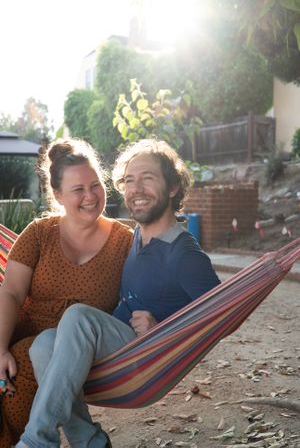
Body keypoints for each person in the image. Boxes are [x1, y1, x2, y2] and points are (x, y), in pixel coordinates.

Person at [16, 139, 220, 448]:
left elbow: (219, 314)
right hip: (114, 353)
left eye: (147, 178)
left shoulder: (184, 253)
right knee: (43, 345)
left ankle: (36, 440)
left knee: (79, 316)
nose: (136, 188)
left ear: (174, 187)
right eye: (129, 180)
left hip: (147, 355)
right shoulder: (136, 236)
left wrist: (162, 330)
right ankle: (90, 442)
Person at [0, 139, 133, 448]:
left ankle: (35, 441)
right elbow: (11, 293)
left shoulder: (124, 242)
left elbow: (144, 293)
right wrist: (0, 348)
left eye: (95, 185)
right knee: (23, 358)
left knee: (23, 373)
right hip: (31, 336)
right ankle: (89, 441)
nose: (90, 196)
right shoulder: (38, 233)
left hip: (93, 349)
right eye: (78, 190)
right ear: (58, 195)